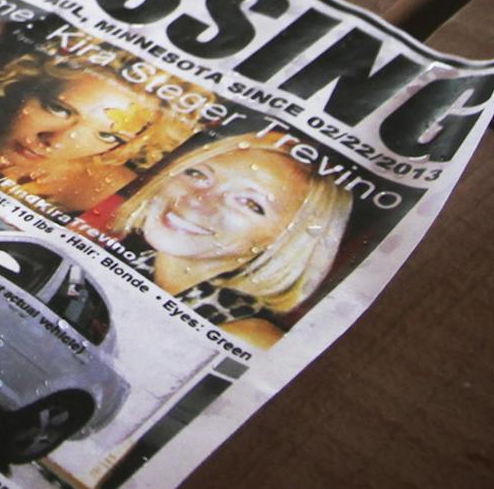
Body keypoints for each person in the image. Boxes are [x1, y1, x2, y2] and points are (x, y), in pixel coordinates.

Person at [108, 131, 351, 349]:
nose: (198, 200)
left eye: (249, 203)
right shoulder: (125, 258)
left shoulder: (247, 338)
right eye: (198, 174)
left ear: (285, 239)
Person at [0, 43, 194, 213]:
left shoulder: (113, 193)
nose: (56, 142)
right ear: (22, 83)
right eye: (58, 108)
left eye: (107, 135)